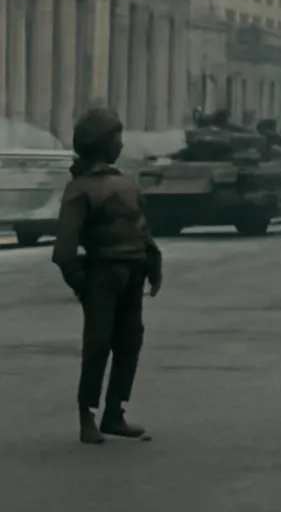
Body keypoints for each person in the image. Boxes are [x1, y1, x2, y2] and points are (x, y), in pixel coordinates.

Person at [51, 107, 163, 445]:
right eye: (116, 138)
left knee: (129, 342)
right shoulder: (80, 189)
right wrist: (81, 282)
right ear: (102, 144)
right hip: (102, 273)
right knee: (98, 345)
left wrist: (153, 263)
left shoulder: (124, 183)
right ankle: (87, 415)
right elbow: (64, 249)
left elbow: (141, 229)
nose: (121, 145)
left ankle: (115, 413)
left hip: (132, 271)